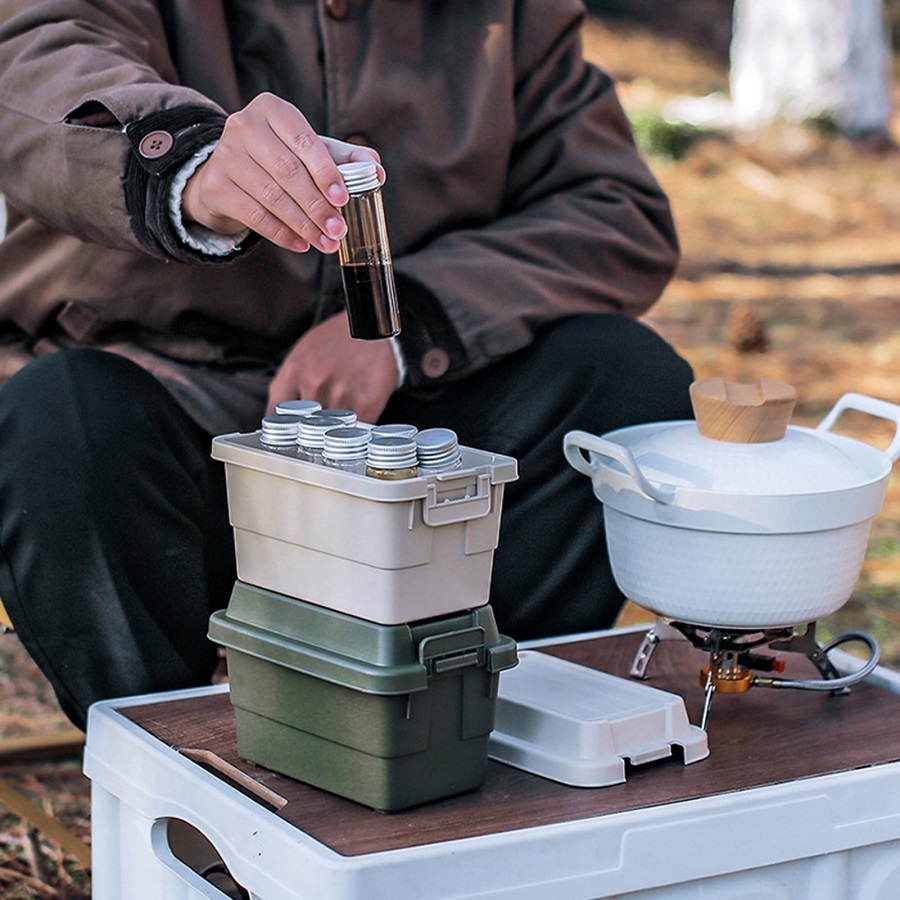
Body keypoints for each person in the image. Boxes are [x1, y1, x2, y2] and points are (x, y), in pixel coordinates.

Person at [0, 0, 694, 730]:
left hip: (414, 428)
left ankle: (462, 728)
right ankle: (174, 782)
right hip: (161, 392)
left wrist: (411, 323)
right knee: (61, 424)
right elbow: (32, 65)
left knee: (621, 383)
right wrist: (189, 165)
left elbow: (613, 206)